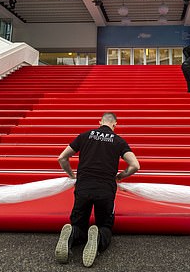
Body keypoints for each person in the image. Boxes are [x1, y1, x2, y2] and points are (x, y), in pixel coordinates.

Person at [55, 112, 140, 268]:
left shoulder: (84, 136)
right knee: (105, 225)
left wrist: (72, 175)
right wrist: (119, 176)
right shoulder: (119, 141)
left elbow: (62, 158)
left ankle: (72, 235)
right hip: (105, 189)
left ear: (100, 121)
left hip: (84, 186)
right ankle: (98, 237)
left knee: (79, 224)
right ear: (115, 124)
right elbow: (135, 165)